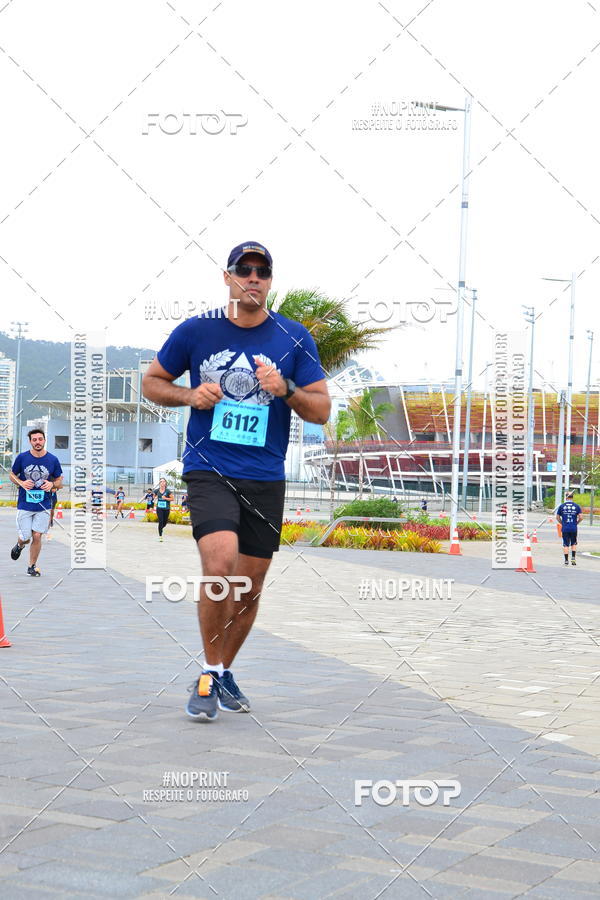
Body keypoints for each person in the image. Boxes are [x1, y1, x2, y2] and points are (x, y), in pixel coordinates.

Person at [143, 240, 330, 721]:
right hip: (210, 468)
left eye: (261, 272)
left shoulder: (293, 338)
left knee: (249, 586)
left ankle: (223, 670)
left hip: (265, 476)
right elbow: (152, 383)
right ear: (227, 277)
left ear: (269, 281)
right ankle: (208, 673)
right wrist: (189, 396)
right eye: (243, 270)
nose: (253, 278)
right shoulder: (196, 330)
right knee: (220, 563)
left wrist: (285, 388)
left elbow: (321, 410)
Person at [9, 428, 63, 576]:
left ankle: (31, 566)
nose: (37, 442)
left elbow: (59, 481)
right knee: (26, 537)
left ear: (44, 440)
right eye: (34, 440)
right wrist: (21, 483)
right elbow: (12, 475)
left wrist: (52, 484)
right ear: (30, 442)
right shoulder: (22, 458)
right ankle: (20, 545)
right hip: (25, 505)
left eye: (40, 439)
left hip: (44, 505)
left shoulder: (52, 459)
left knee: (37, 535)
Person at [556, 491, 582, 566]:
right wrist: (576, 523)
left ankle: (566, 560)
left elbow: (557, 517)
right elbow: (581, 517)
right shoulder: (577, 506)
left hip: (565, 528)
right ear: (572, 497)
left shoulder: (562, 506)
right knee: (573, 543)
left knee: (566, 544)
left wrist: (562, 523)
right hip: (573, 528)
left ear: (566, 497)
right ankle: (573, 558)